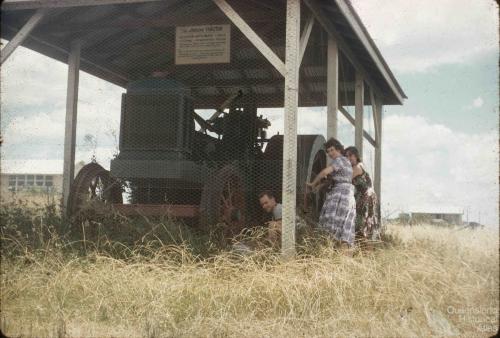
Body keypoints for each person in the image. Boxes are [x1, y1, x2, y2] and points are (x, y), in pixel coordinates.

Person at [307, 138, 356, 250]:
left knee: (332, 226)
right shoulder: (346, 161)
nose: (330, 153)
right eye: (328, 151)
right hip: (347, 195)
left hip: (340, 195)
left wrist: (312, 184)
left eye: (332, 150)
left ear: (338, 149)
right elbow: (330, 181)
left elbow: (324, 172)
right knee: (343, 228)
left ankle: (332, 253)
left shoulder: (339, 160)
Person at [344, 146, 381, 243]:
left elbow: (344, 179)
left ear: (356, 155)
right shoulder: (359, 165)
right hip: (364, 199)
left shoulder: (357, 167)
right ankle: (364, 255)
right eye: (346, 156)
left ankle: (366, 255)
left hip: (365, 200)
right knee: (365, 229)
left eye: (350, 155)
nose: (348, 158)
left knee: (363, 228)